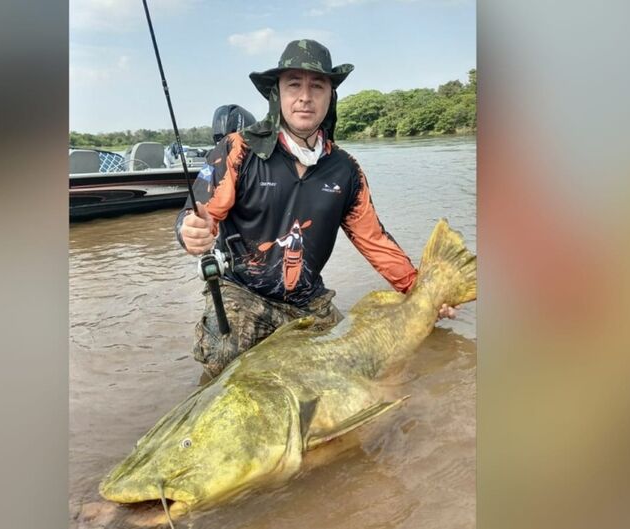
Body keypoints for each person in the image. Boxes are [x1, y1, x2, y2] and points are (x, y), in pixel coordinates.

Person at [175, 39, 456, 378]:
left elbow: (375, 241)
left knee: (362, 367)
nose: (305, 97)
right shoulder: (238, 150)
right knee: (223, 358)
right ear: (277, 94)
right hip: (244, 292)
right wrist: (190, 231)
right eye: (294, 85)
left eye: (317, 86)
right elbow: (198, 217)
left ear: (330, 96)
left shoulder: (346, 169)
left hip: (307, 298)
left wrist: (420, 289)